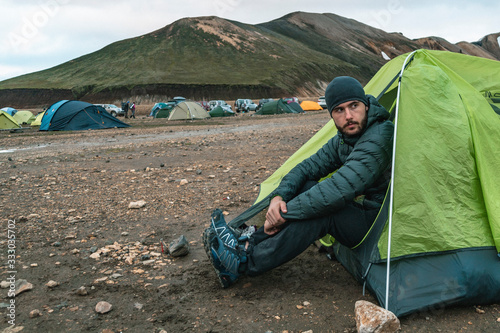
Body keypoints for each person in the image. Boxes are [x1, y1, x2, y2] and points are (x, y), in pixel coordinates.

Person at [203, 76, 394, 288]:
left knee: (323, 212)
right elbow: (306, 167)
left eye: (354, 106)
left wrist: (283, 214)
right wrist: (279, 197)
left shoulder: (380, 134)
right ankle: (248, 242)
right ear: (331, 115)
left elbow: (340, 188)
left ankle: (244, 262)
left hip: (381, 226)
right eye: (339, 110)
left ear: (366, 105)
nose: (348, 116)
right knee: (306, 186)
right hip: (364, 213)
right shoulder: (345, 138)